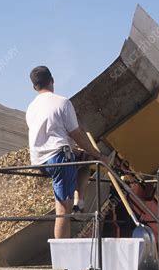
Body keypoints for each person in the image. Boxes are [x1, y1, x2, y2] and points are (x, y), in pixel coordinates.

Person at [26, 66, 109, 238]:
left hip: (39, 160)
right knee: (63, 210)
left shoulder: (31, 108)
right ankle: (62, 259)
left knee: (85, 160)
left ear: (34, 87)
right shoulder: (62, 102)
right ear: (52, 80)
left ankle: (80, 204)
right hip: (59, 159)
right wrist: (99, 155)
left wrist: (87, 155)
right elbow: (77, 135)